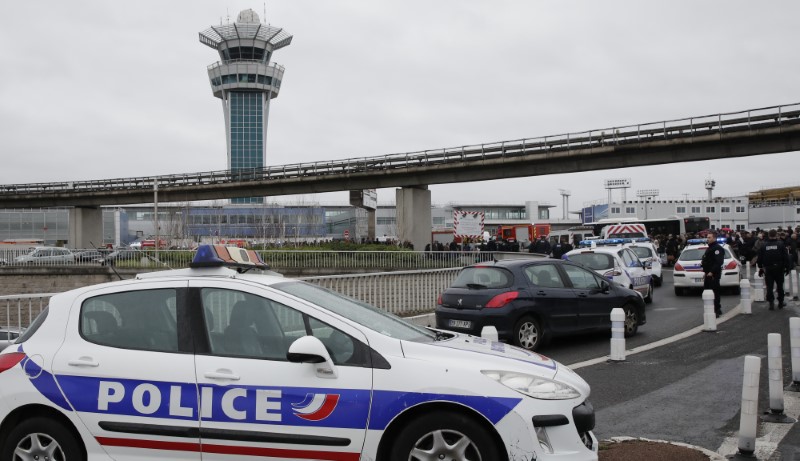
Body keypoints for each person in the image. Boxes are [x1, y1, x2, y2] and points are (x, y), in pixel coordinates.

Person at [758, 229, 791, 310]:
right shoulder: (780, 244)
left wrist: (760, 268)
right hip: (779, 268)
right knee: (780, 286)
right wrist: (787, 267)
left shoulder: (764, 245)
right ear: (776, 235)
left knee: (769, 286)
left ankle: (771, 302)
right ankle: (780, 302)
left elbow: (760, 258)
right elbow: (785, 257)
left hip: (768, 268)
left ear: (768, 235)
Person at [700, 231, 725, 317]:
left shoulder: (717, 248)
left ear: (714, 238)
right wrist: (706, 272)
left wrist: (711, 272)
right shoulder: (710, 248)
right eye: (707, 237)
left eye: (709, 237)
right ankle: (712, 309)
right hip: (708, 274)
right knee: (708, 292)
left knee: (714, 292)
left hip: (713, 275)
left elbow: (718, 262)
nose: (707, 239)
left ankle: (716, 309)